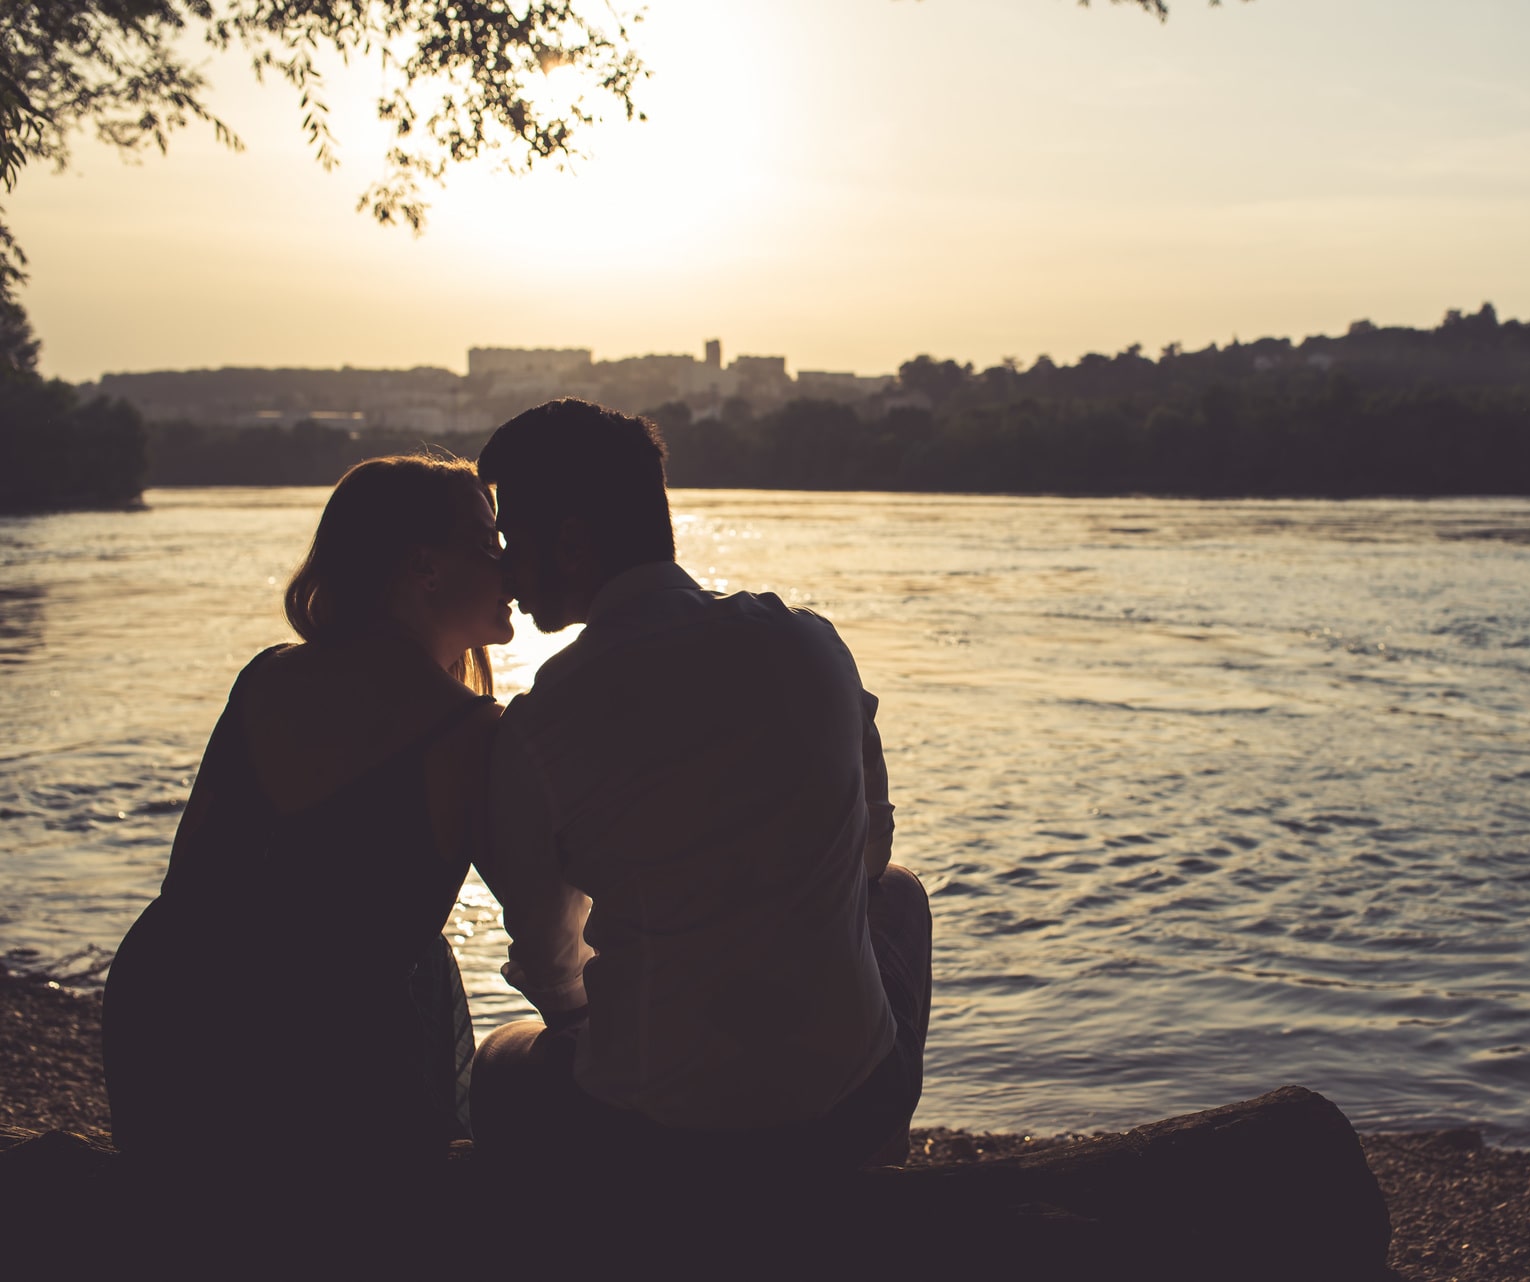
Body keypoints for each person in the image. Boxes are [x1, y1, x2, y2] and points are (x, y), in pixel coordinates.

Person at [470, 398, 931, 1173]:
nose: (506, 569)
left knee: (497, 1061)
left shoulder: (539, 727)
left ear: (573, 542)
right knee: (903, 895)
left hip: (660, 1143)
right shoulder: (809, 643)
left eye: (513, 539)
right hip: (851, 1110)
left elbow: (554, 967)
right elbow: (869, 850)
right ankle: (875, 1167)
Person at [103, 454, 511, 1172]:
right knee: (430, 982)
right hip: (315, 1069)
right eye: (486, 541)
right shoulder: (472, 732)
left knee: (421, 962)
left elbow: (189, 883)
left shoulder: (266, 675)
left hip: (161, 1027)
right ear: (426, 568)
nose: (508, 560)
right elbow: (546, 914)